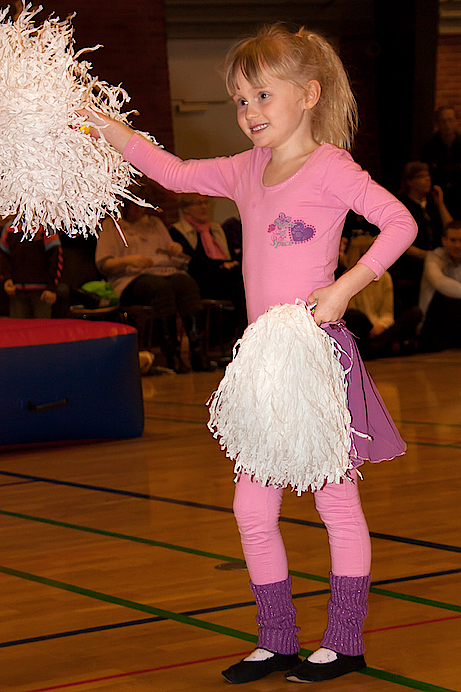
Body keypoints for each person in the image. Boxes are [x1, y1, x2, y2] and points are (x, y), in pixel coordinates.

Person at [79, 23, 417, 684]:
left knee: (334, 502)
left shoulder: (331, 167)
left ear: (308, 94)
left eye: (262, 95)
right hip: (264, 363)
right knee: (250, 509)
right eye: (239, 99)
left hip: (313, 358)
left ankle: (344, 640)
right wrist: (102, 124)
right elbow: (173, 170)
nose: (248, 110)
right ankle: (276, 639)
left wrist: (344, 288)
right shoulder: (246, 168)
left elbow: (399, 222)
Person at [96, 198, 215, 373]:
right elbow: (104, 264)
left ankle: (198, 353)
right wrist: (129, 260)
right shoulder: (112, 226)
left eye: (142, 205)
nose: (139, 210)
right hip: (130, 279)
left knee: (186, 283)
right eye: (135, 206)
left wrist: (175, 249)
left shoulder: (155, 223)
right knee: (160, 288)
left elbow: (173, 255)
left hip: (163, 272)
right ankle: (171, 355)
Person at [169, 193, 247, 337]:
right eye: (198, 203)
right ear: (186, 208)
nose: (204, 207)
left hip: (225, 275)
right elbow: (192, 262)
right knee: (239, 285)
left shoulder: (217, 228)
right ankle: (242, 335)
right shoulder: (176, 231)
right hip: (199, 279)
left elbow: (231, 255)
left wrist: (228, 265)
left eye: (206, 203)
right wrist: (222, 265)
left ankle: (241, 334)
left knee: (244, 280)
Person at [343, 235, 421, 359]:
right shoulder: (348, 277)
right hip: (363, 327)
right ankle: (384, 346)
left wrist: (381, 325)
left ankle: (374, 348)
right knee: (354, 317)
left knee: (415, 313)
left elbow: (387, 313)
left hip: (382, 327)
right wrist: (373, 326)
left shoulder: (385, 277)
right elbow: (351, 311)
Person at [392, 161, 452, 312]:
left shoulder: (432, 203)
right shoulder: (402, 205)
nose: (427, 180)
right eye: (422, 177)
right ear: (410, 181)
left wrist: (440, 204)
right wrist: (426, 255)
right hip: (415, 261)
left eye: (428, 176)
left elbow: (452, 230)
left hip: (440, 258)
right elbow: (397, 241)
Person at [0, 223, 62, 318]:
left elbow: (56, 258)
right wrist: (7, 278)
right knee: (17, 326)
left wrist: (51, 287)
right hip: (16, 290)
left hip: (42, 292)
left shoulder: (45, 227)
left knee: (42, 326)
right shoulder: (10, 227)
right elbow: (3, 256)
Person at [418, 219, 461, 352]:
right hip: (431, 324)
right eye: (453, 240)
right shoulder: (434, 257)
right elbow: (439, 282)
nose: (458, 245)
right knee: (446, 299)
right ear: (444, 241)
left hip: (455, 324)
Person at [422, 106, 461, 219]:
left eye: (450, 120)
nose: (447, 124)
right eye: (443, 121)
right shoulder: (429, 147)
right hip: (437, 197)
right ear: (437, 123)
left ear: (456, 122)